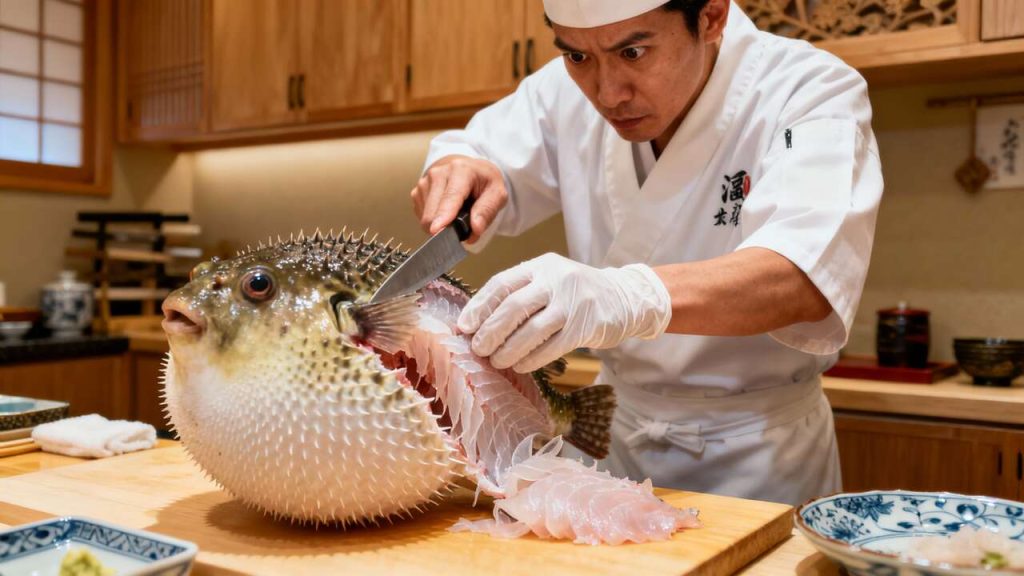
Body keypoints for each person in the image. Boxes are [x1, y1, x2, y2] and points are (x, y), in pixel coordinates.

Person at [410, 0, 883, 505]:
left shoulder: (809, 89)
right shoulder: (563, 89)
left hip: (759, 454)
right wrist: (462, 165)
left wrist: (624, 296)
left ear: (711, 16)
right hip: (614, 442)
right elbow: (479, 149)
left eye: (634, 52)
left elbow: (801, 278)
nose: (607, 93)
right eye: (577, 58)